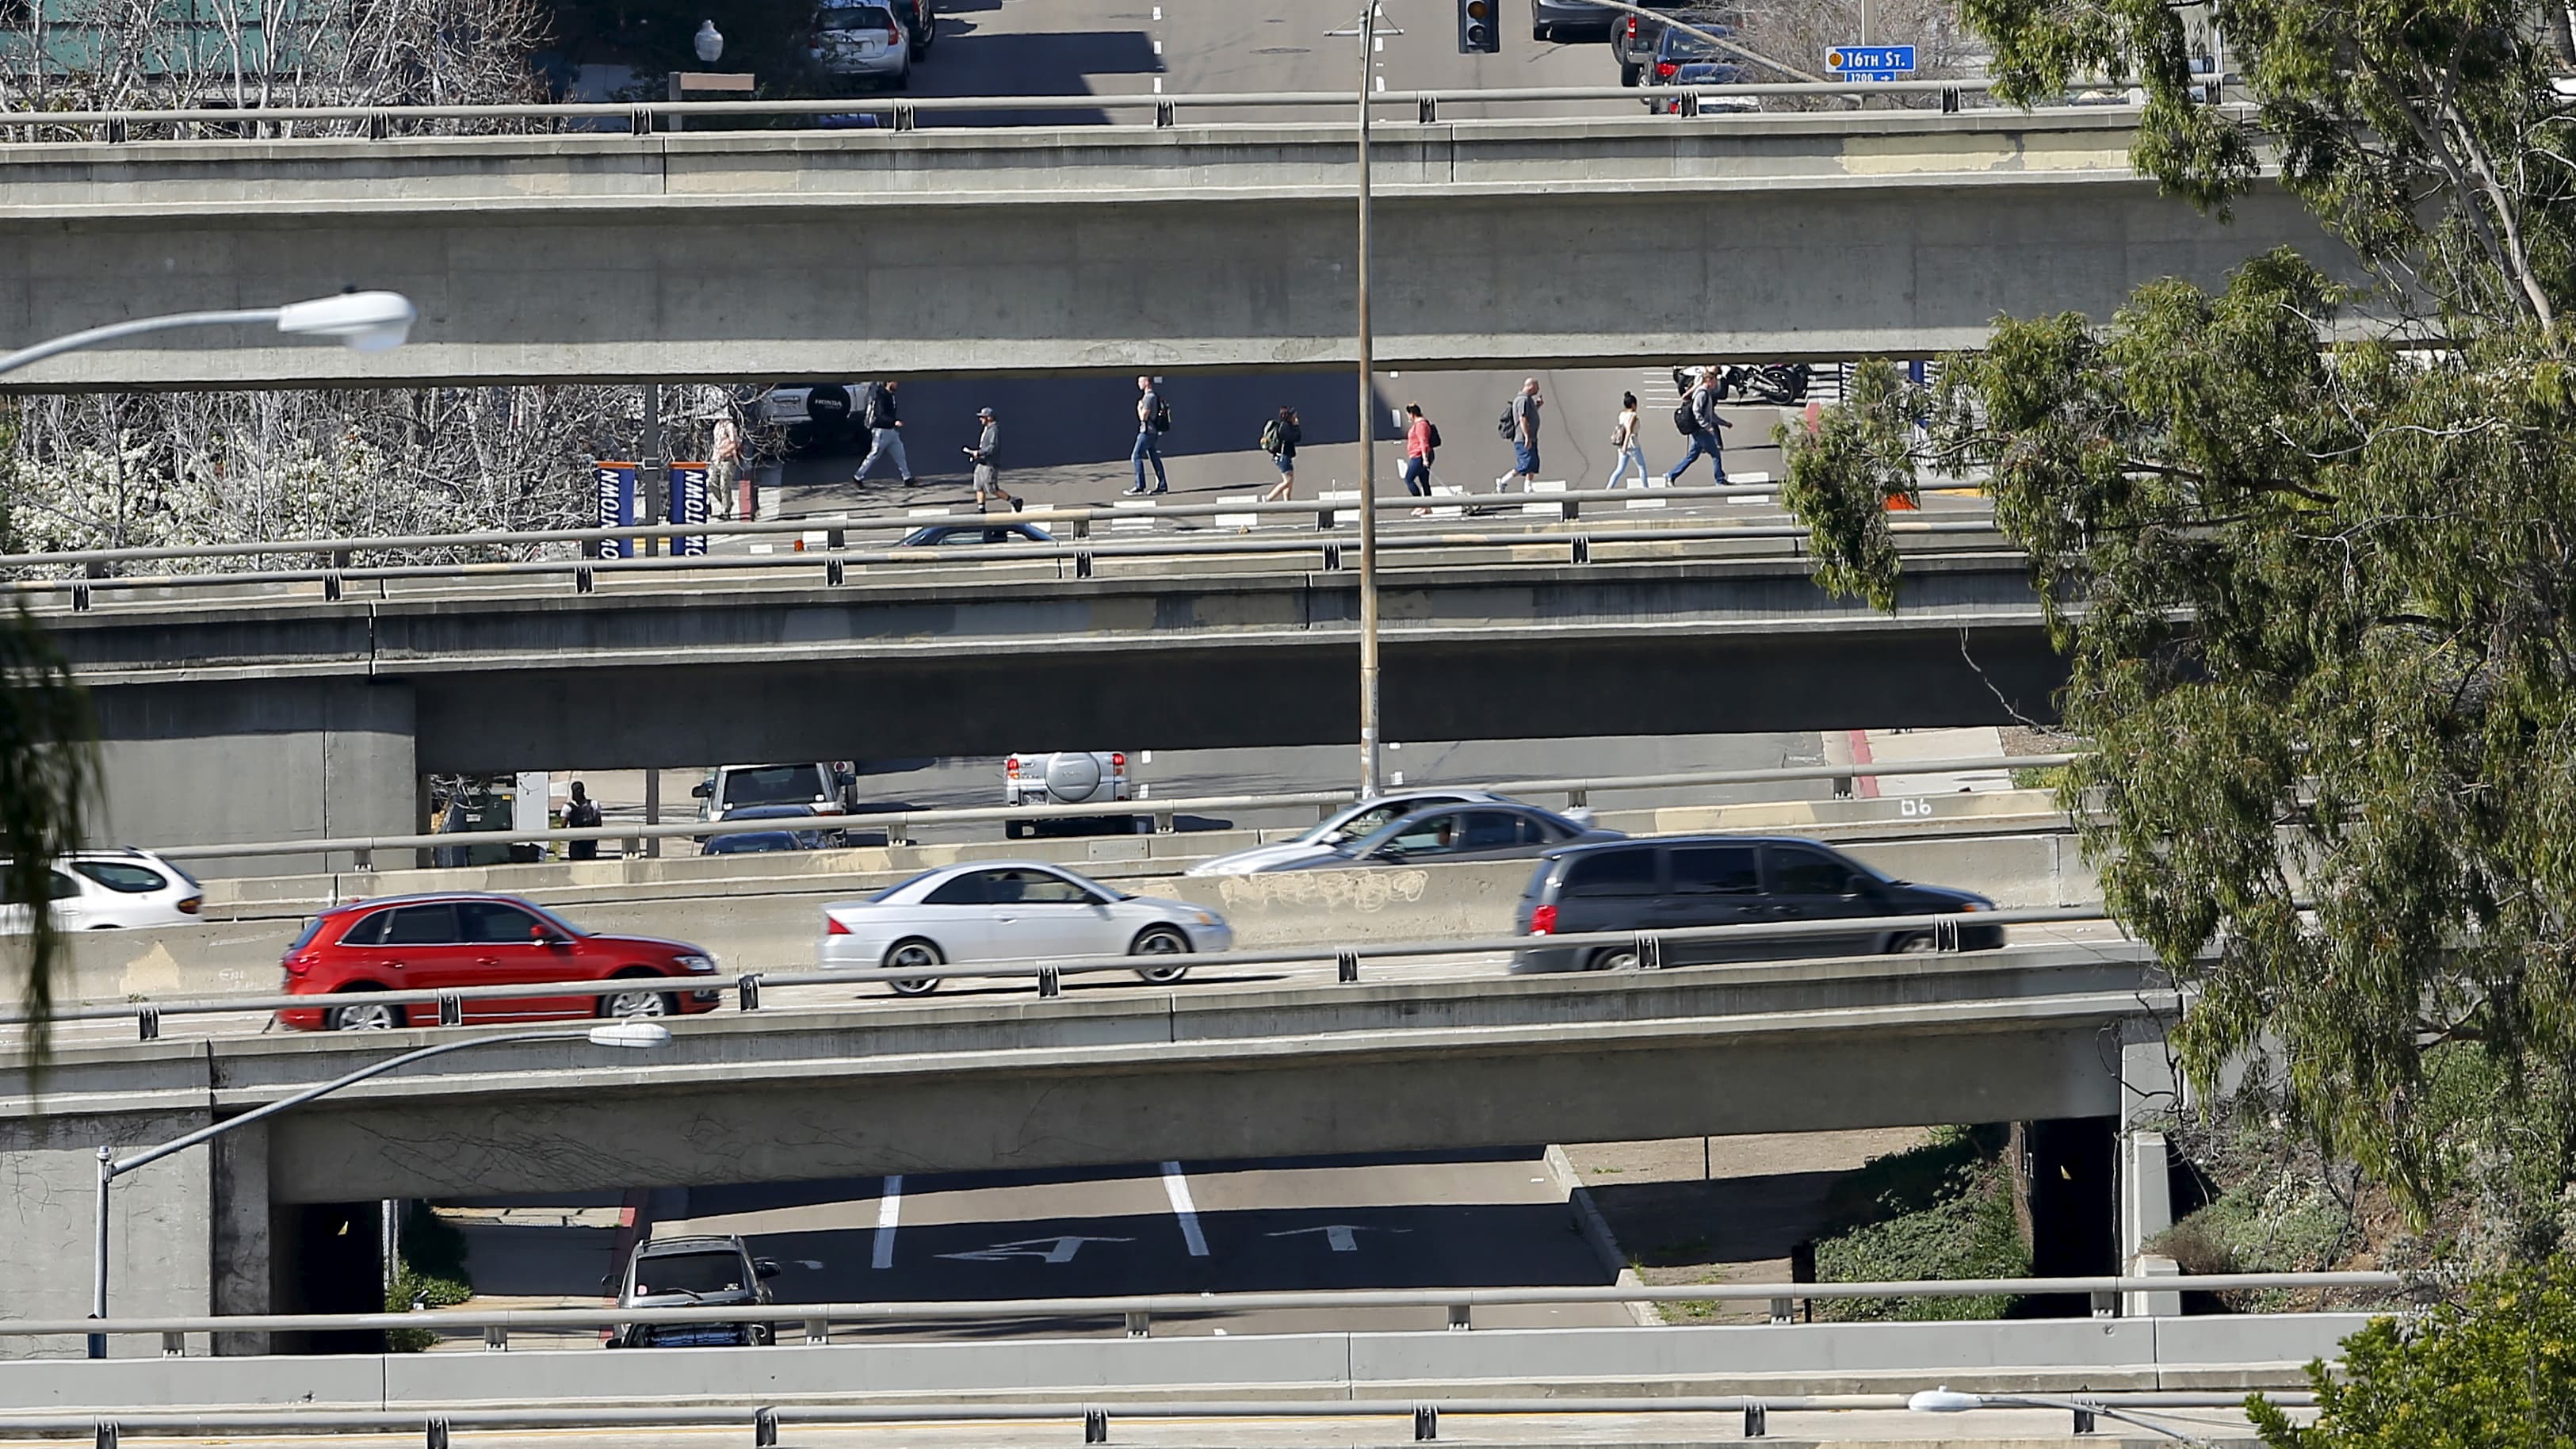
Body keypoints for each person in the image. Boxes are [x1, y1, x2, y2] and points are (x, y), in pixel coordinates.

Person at [1664, 368, 1734, 486]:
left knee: (1692, 456)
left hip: (1699, 430)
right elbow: (1696, 411)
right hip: (1701, 431)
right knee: (1716, 454)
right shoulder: (1702, 393)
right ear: (1709, 381)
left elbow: (1711, 415)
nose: (1717, 384)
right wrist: (1706, 426)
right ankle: (1720, 480)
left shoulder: (1706, 393)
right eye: (1715, 381)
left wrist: (1725, 423)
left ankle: (1671, 475)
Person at [850, 380, 915, 486]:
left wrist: (893, 423)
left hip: (891, 432)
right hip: (881, 432)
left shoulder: (890, 395)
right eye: (895, 382)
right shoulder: (882, 397)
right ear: (888, 383)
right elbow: (880, 415)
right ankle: (857, 477)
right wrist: (894, 421)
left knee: (900, 455)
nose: (897, 384)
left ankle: (907, 478)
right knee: (873, 455)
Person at [965, 405, 1015, 510]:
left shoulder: (994, 430)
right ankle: (982, 510)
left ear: (989, 418)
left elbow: (993, 448)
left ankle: (1013, 500)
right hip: (980, 463)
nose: (980, 419)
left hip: (989, 464)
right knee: (978, 487)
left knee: (992, 489)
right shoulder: (987, 429)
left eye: (982, 417)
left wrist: (979, 453)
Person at [1126, 374, 1169, 495]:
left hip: (1147, 432)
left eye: (1140, 382)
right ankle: (1162, 485)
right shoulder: (1153, 396)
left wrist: (1139, 408)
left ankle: (1140, 486)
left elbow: (1143, 417)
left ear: (1147, 383)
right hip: (1153, 432)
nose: (1138, 384)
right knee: (1154, 458)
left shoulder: (1148, 398)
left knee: (1136, 456)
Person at [1500, 377, 1542, 493]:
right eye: (1536, 387)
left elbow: (1530, 415)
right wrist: (1526, 436)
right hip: (1523, 439)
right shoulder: (1522, 400)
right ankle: (1503, 481)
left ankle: (1528, 487)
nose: (1538, 390)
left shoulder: (1528, 400)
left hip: (1531, 437)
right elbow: (1522, 418)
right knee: (1525, 464)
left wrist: (1537, 406)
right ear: (1531, 387)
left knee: (1533, 463)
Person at [1605, 391, 1652, 487]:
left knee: (1620, 469)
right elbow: (1629, 431)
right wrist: (1626, 446)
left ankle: (1609, 488)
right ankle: (1646, 489)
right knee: (1641, 467)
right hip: (1632, 445)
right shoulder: (1633, 415)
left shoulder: (1621, 414)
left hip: (1621, 444)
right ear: (1633, 405)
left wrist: (1623, 447)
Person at [1400, 402, 1438, 516]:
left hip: (1420, 457)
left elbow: (1423, 442)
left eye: (1408, 414)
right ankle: (1427, 507)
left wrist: (1425, 458)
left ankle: (1420, 504)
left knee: (1409, 479)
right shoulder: (1420, 424)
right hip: (1420, 456)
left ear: (1412, 414)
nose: (1408, 417)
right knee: (1424, 482)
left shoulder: (1421, 425)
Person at [1259, 405, 1301, 503]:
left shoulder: (1284, 426)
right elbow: (1297, 437)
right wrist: (1296, 425)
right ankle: (1268, 498)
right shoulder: (1285, 428)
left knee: (1290, 481)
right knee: (1288, 481)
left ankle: (1287, 501)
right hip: (1283, 458)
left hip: (1282, 457)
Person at [709, 413, 744, 520]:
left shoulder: (730, 426)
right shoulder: (717, 426)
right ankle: (727, 503)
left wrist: (724, 453)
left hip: (728, 459)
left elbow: (735, 443)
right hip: (716, 460)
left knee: (724, 485)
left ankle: (725, 511)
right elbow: (716, 444)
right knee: (712, 483)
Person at [564, 780, 603, 862]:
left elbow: (563, 825)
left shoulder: (593, 804)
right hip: (580, 843)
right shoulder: (568, 808)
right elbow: (598, 823)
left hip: (586, 842)